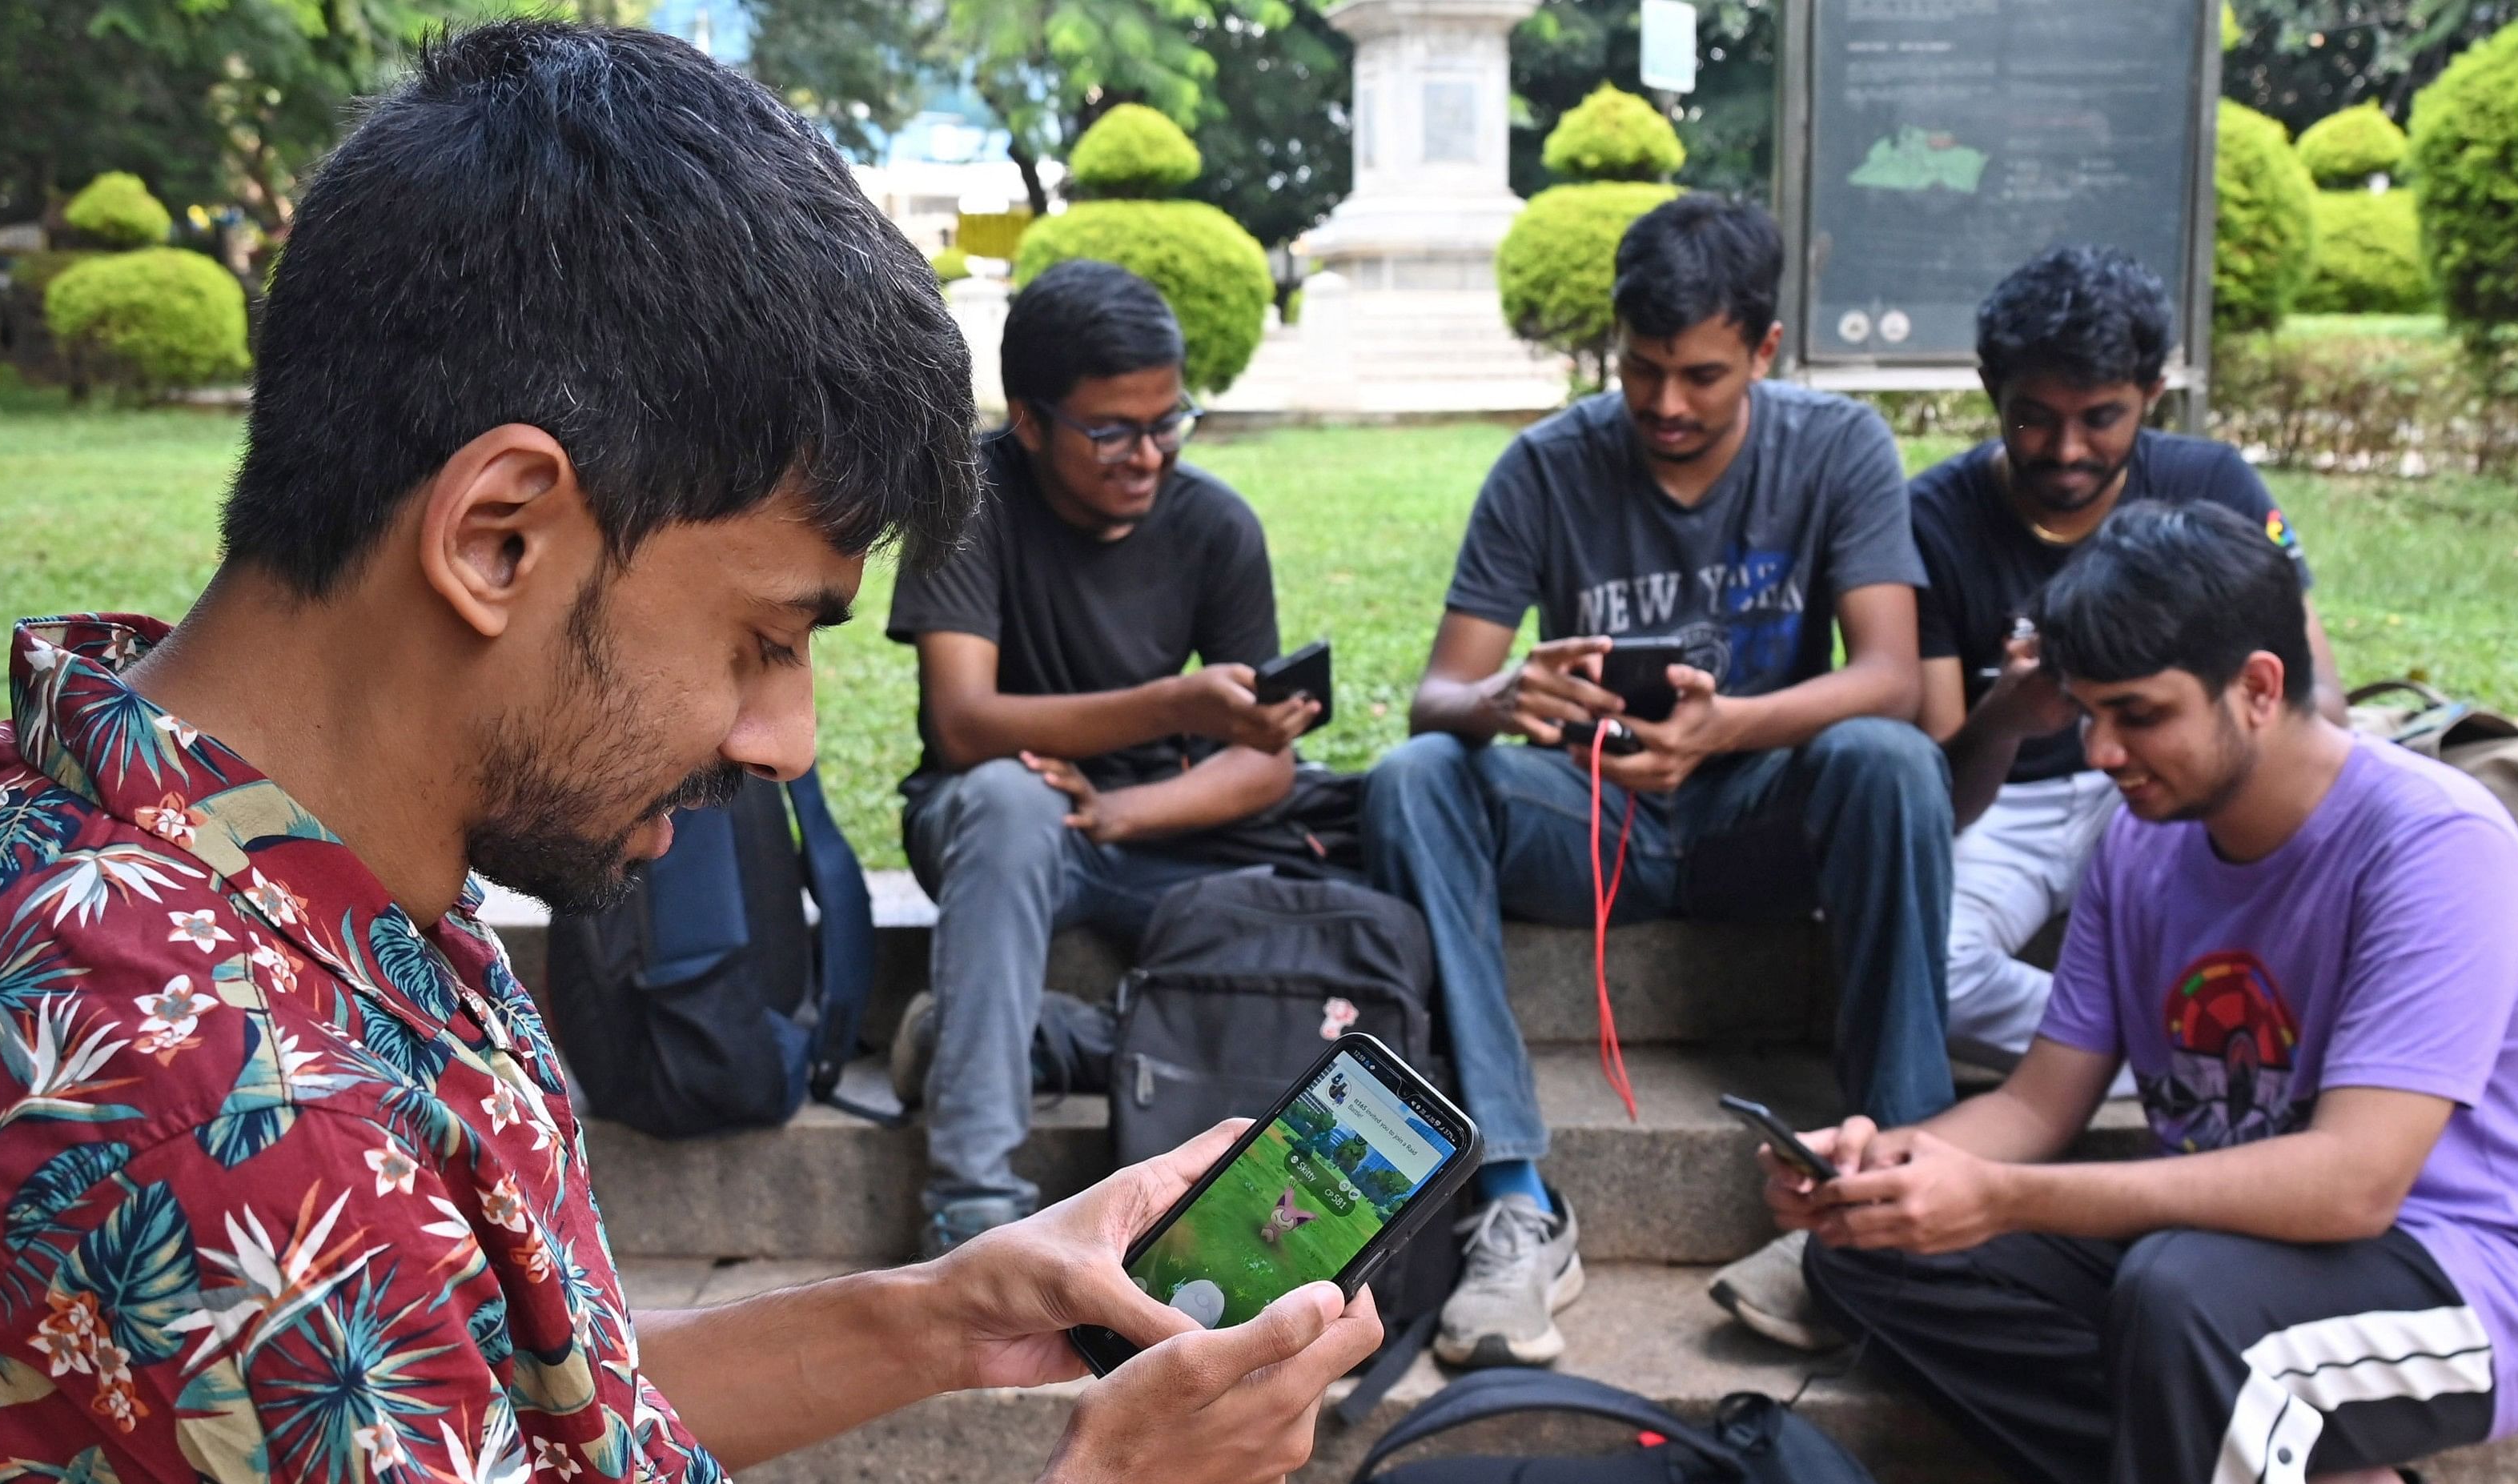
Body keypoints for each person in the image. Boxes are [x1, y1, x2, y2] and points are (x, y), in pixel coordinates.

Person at [0, 26, 1379, 1484]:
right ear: (497, 537)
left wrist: (942, 1313)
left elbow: (493, 1424)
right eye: (763, 638)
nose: (784, 741)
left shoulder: (265, 863)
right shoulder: (193, 1098)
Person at [1773, 500, 2518, 1484]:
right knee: (1873, 1254)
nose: (2102, 750)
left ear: (2258, 686)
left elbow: (2352, 1187)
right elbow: (2038, 1103)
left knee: (2187, 1297)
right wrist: (1896, 1169)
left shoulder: (2433, 844)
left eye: (2138, 713)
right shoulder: (2140, 846)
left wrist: (2006, 1197)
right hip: (2233, 1265)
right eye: (2088, 712)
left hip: (2473, 1282)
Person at [1708, 245, 2345, 1350]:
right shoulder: (1939, 516)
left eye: (2101, 417)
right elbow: (1937, 792)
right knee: (1937, 957)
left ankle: (2154, 1044)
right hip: (2016, 800)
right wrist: (2016, 710)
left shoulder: (2215, 489)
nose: (2065, 448)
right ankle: (2160, 1048)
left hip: (2181, 786)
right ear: (1992, 400)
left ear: (2152, 394)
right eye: (2032, 417)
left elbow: (2310, 689)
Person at [1362, 193, 1953, 1369]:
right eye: (1642, 370)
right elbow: (1441, 693)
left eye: (1702, 376)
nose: (1667, 404)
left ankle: (1889, 1178)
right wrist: (1504, 698)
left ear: (1766, 353)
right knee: (1414, 775)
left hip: (1757, 818)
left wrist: (1730, 729)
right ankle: (1516, 1197)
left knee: (1890, 760)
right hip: (1597, 821)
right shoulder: (1545, 465)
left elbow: (1892, 675)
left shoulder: (1836, 446)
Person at [885, 259, 1318, 1257]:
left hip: (1147, 830)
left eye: (1168, 422)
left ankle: (990, 1038)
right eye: (1112, 430)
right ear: (1030, 421)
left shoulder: (1215, 526)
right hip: (996, 829)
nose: (1148, 454)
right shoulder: (968, 504)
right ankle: (974, 1200)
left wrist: (1126, 810)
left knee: (1323, 913)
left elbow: (1263, 767)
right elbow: (964, 723)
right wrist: (1172, 703)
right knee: (1007, 797)